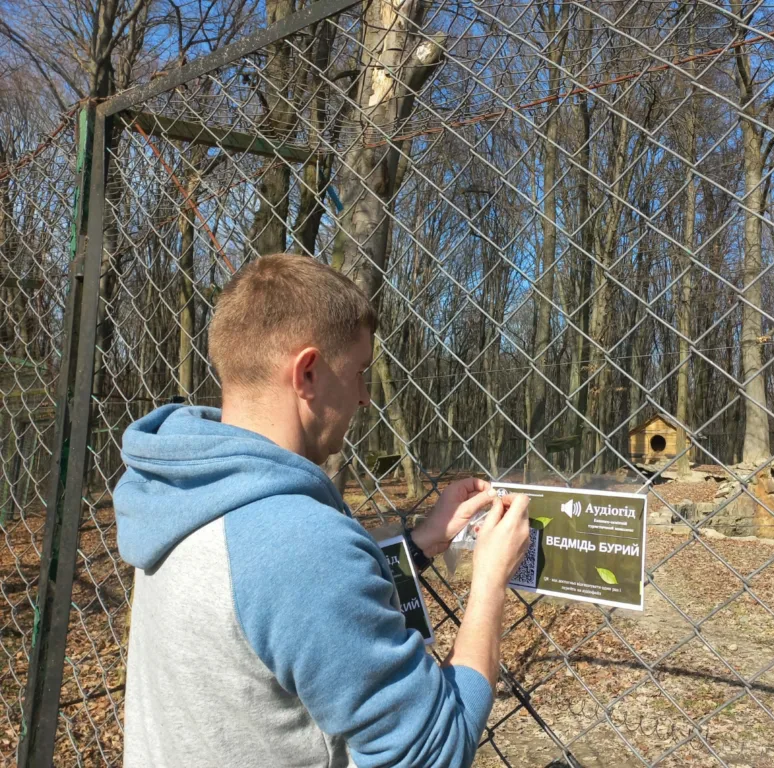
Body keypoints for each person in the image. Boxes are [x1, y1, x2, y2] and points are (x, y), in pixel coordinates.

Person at [113, 253, 531, 768]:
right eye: (358, 372)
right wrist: (489, 582)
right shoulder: (297, 541)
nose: (364, 399)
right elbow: (432, 754)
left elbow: (274, 609)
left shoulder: (179, 489)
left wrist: (424, 541)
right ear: (308, 372)